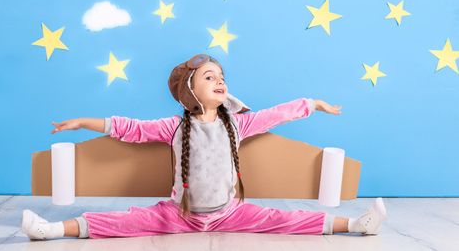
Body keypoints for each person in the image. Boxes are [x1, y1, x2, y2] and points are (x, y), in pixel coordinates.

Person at [21, 54, 387, 240]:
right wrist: (84, 122)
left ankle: (357, 224)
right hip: (178, 214)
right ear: (191, 90)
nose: (220, 81)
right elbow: (127, 128)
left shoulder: (238, 124)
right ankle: (51, 231)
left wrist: (312, 103)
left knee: (286, 219)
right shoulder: (174, 126)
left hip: (230, 212)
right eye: (209, 76)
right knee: (122, 221)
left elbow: (277, 115)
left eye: (222, 77)